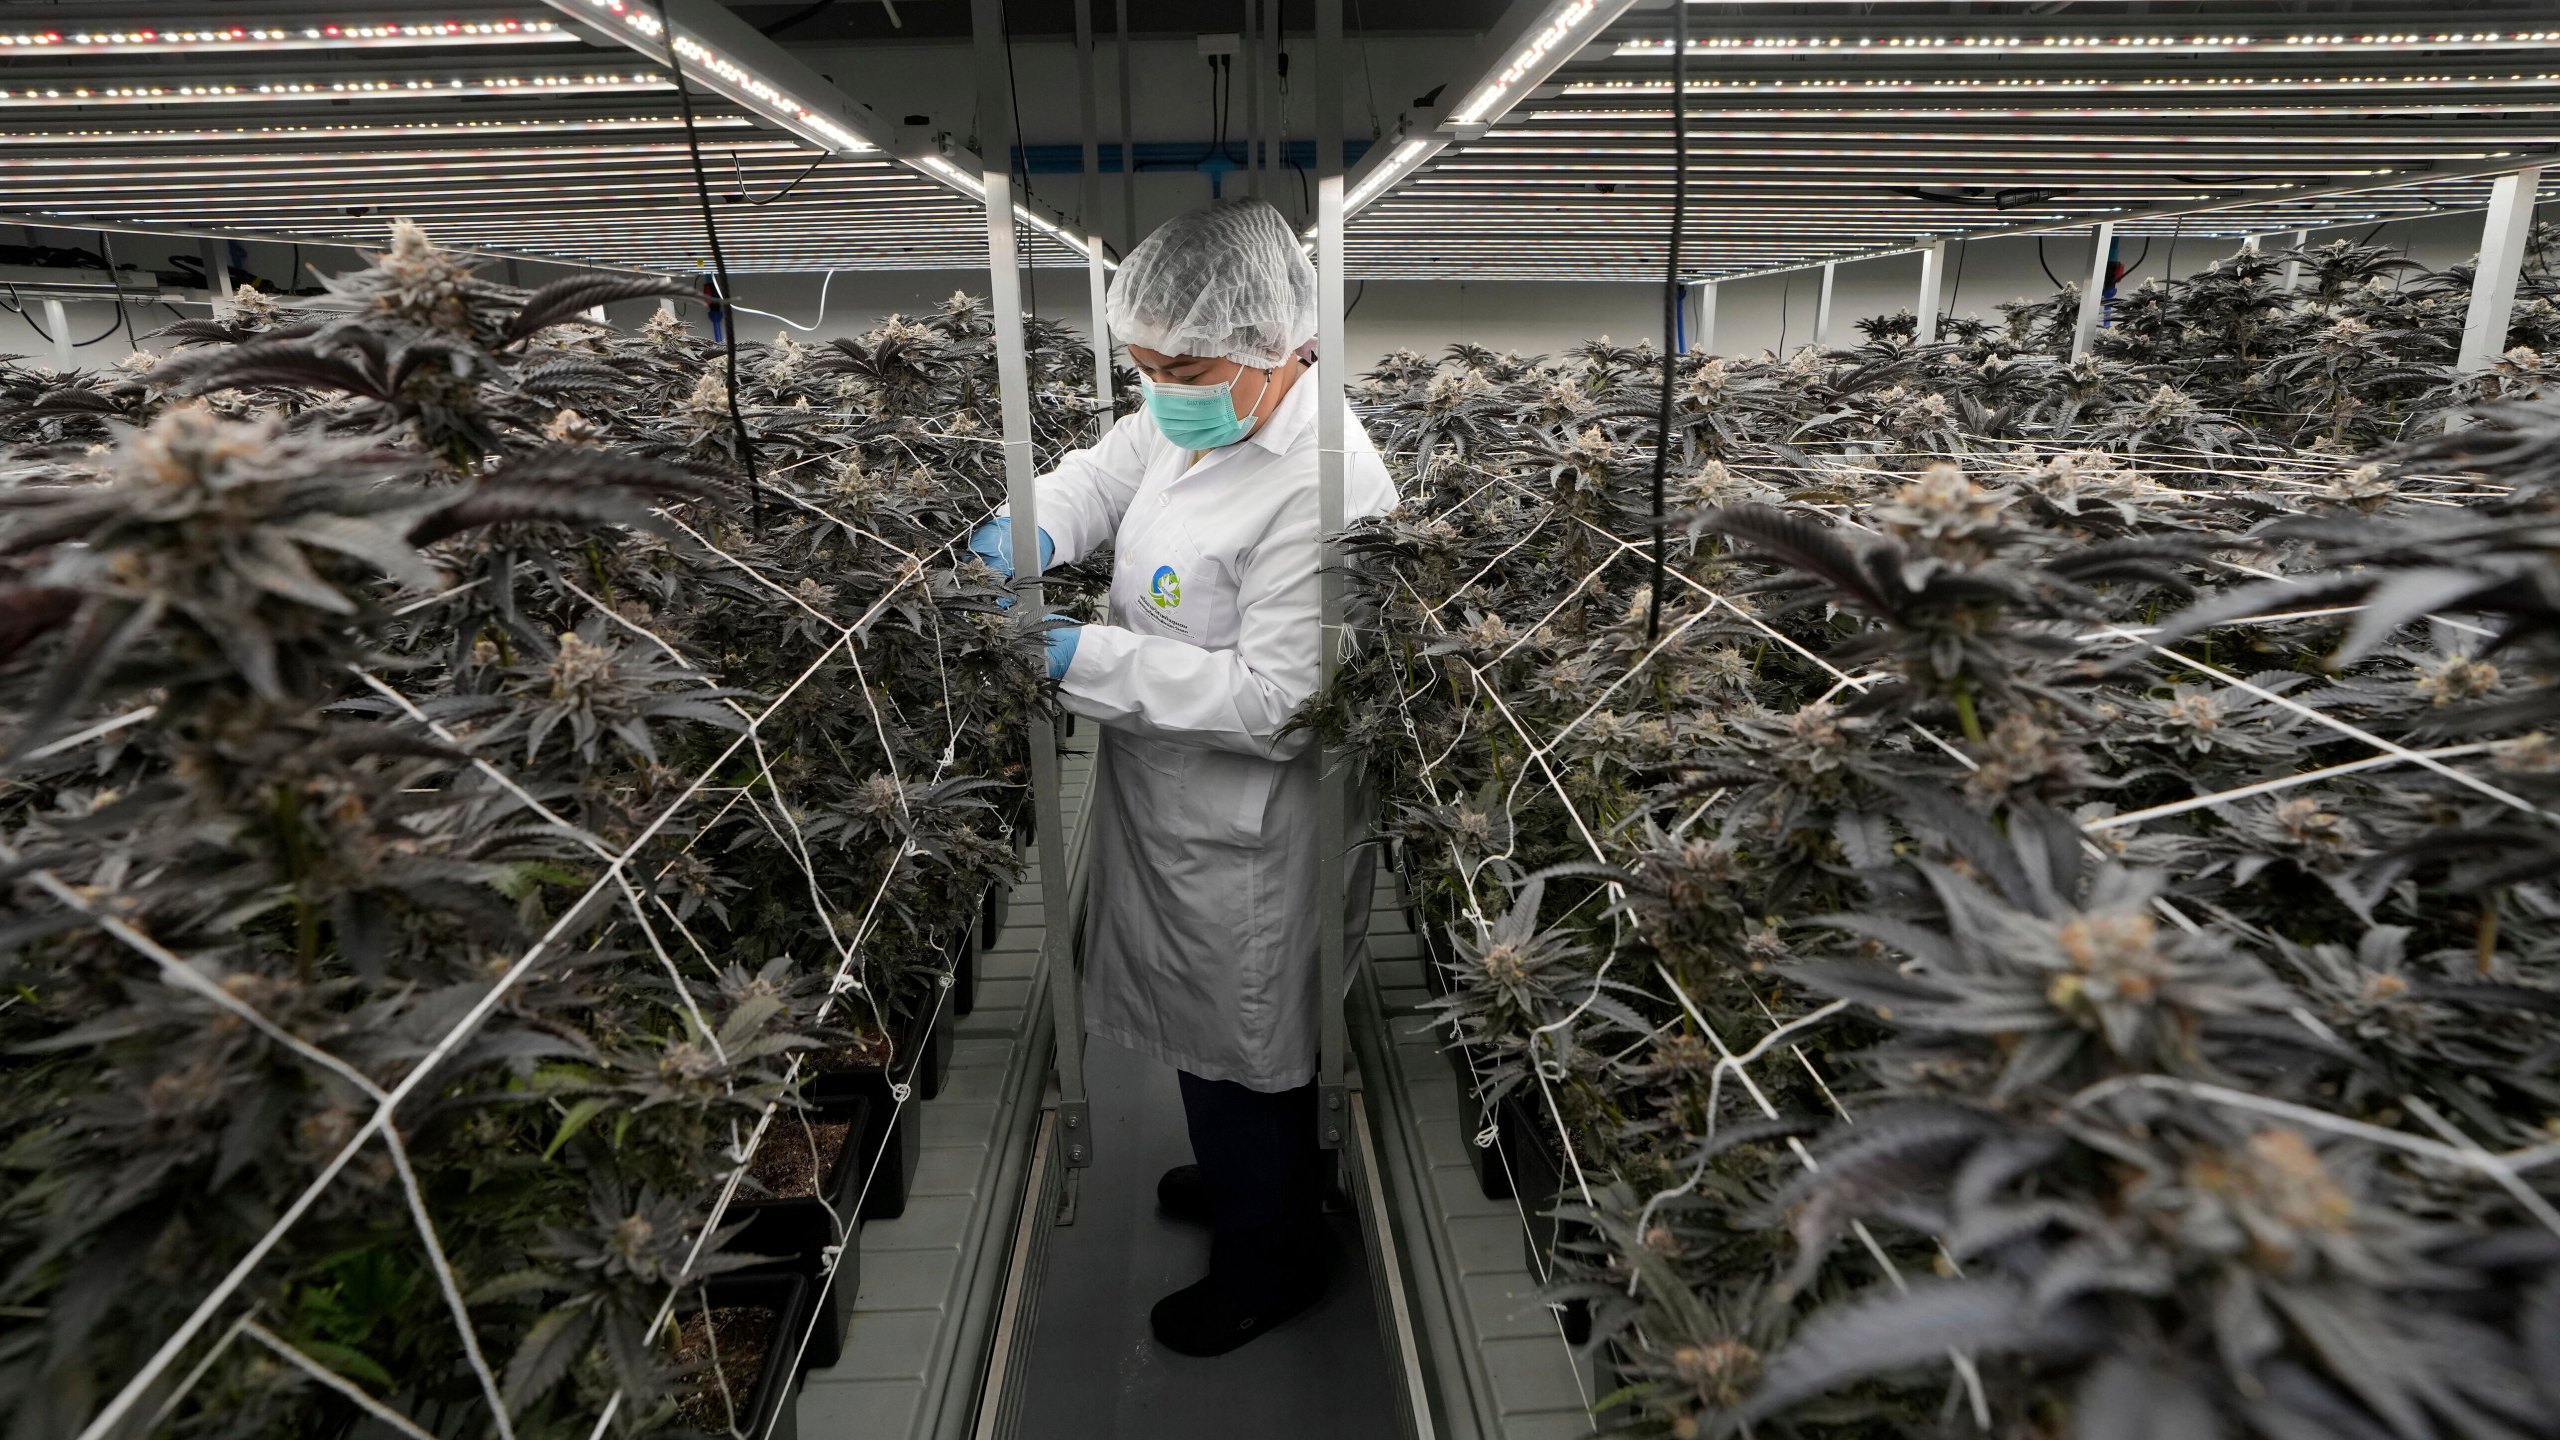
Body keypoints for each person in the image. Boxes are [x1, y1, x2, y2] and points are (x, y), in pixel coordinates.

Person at [967, 198, 1398, 1357]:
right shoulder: (1194, 411)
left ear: (1278, 342)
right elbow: (1097, 476)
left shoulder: (1325, 483)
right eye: (1145, 367)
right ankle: (1251, 1184)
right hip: (1167, 787)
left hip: (1254, 822)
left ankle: (1271, 1258)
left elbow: (1279, 701)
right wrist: (1028, 530)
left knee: (1248, 1038)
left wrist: (1078, 657)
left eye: (1185, 368)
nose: (1162, 390)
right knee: (1209, 1033)